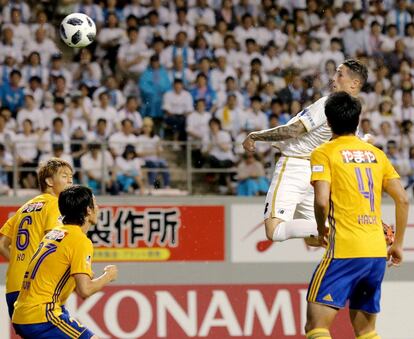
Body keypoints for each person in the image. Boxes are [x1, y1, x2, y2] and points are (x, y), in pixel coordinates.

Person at [305, 91, 408, 339]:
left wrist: (320, 230)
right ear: (357, 119)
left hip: (344, 251)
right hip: (375, 254)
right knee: (366, 331)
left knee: (316, 326)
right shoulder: (376, 154)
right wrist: (398, 245)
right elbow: (403, 199)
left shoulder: (323, 152)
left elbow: (320, 202)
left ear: (328, 122)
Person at [242, 59, 368, 245]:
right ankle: (360, 237)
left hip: (294, 166)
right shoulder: (353, 114)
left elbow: (293, 130)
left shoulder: (329, 103)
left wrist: (255, 136)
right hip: (316, 173)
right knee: (316, 239)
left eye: (339, 74)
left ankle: (342, 227)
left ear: (355, 83)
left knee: (274, 230)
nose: (333, 78)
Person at [12, 185, 118, 339]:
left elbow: (53, 277)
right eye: (95, 203)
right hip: (41, 316)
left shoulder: (54, 233)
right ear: (88, 210)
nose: (98, 207)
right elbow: (85, 291)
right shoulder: (80, 240)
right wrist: (108, 275)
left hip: (24, 312)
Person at [0, 158, 73, 318]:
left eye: (71, 176)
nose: (70, 180)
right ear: (49, 181)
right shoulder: (55, 204)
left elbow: (2, 244)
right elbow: (53, 242)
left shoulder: (23, 208)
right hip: (36, 288)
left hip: (13, 286)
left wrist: (20, 262)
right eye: (64, 176)